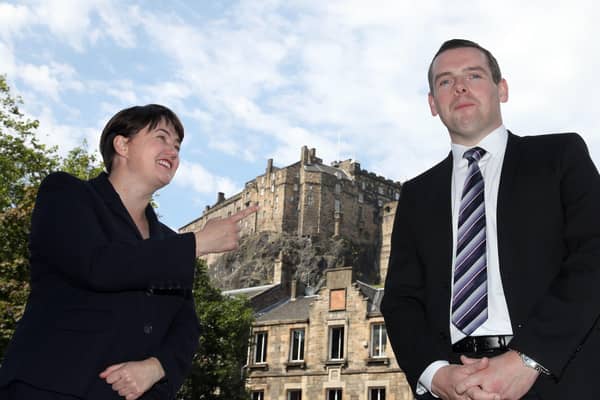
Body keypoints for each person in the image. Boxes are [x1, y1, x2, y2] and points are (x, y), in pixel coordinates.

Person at [381, 39, 600, 400]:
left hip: (558, 379)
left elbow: (593, 256)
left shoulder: (560, 156)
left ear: (502, 89)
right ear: (433, 104)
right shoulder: (416, 194)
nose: (461, 86)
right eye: (445, 81)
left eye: (474, 75)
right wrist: (436, 375)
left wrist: (528, 359)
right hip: (455, 386)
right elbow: (400, 300)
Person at [0, 104, 257, 399]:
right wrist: (197, 243)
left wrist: (158, 366)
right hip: (51, 388)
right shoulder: (67, 194)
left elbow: (186, 329)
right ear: (122, 144)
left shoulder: (167, 239)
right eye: (161, 138)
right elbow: (96, 265)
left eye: (177, 146)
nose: (173, 152)